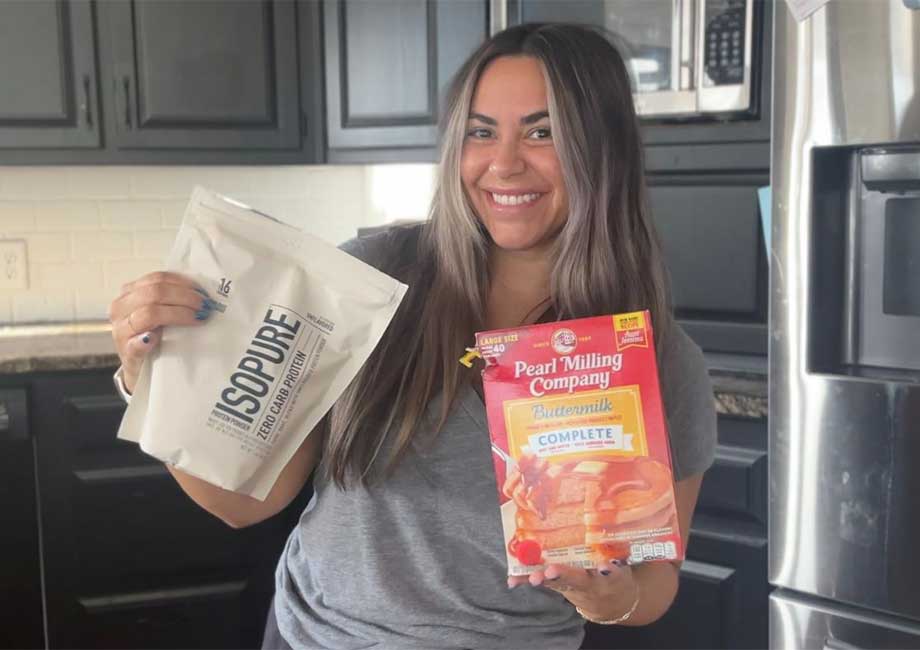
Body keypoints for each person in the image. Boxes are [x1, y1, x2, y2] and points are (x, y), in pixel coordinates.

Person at [107, 23, 716, 650]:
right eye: (481, 132)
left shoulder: (659, 360)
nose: (503, 163)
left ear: (602, 146)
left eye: (543, 132)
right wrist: (154, 377)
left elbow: (655, 579)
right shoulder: (373, 278)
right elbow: (246, 502)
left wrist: (615, 599)